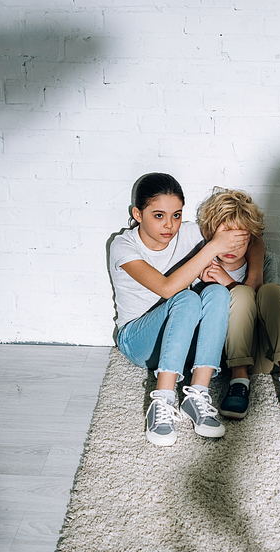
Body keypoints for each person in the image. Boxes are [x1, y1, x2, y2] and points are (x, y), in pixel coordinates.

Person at [109, 173, 263, 446]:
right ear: (138, 213)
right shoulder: (123, 245)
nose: (169, 225)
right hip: (139, 340)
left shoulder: (189, 233)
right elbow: (168, 289)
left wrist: (253, 279)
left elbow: (251, 237)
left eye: (177, 215)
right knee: (187, 298)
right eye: (158, 215)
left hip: (182, 342)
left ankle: (197, 395)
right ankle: (163, 400)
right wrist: (213, 246)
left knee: (215, 291)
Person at [195, 187, 280, 419]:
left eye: (240, 240)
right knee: (240, 295)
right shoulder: (203, 264)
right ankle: (239, 381)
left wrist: (228, 281)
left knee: (271, 291)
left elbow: (266, 308)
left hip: (267, 354)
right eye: (225, 239)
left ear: (252, 238)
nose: (231, 248)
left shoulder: (264, 261)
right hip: (227, 358)